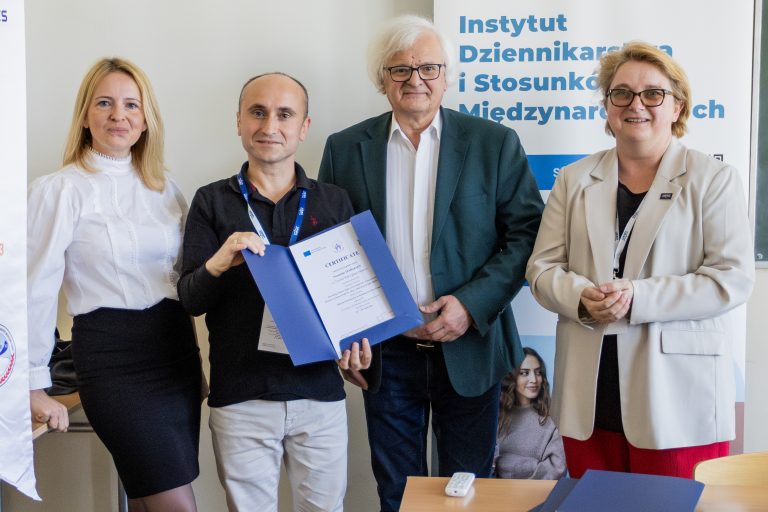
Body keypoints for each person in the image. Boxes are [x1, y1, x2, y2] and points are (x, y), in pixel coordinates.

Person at [319, 15, 543, 510]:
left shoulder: (493, 143)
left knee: (469, 492)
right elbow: (330, 251)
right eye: (400, 69)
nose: (414, 79)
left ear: (446, 76)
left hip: (470, 346)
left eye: (428, 68)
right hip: (385, 351)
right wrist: (346, 337)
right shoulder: (345, 149)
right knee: (397, 494)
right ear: (382, 79)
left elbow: (526, 234)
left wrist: (470, 305)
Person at [526, 41, 755, 479]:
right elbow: (542, 270)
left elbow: (731, 278)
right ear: (607, 105)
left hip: (678, 397)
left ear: (677, 106)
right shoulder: (574, 179)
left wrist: (638, 297)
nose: (636, 105)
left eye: (653, 93)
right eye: (621, 93)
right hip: (591, 394)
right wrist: (580, 297)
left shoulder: (713, 179)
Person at [177, 72, 371, 512]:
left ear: (304, 126)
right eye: (258, 113)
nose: (270, 127)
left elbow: (355, 300)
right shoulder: (211, 201)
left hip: (319, 394)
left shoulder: (334, 202)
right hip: (241, 398)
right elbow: (191, 299)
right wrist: (220, 261)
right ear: (239, 121)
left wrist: (360, 349)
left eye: (285, 115)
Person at [27, 57, 202, 511]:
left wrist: (199, 364)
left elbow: (181, 279)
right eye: (104, 103)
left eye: (131, 105)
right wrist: (32, 386)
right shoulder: (58, 190)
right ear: (85, 116)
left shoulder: (166, 188)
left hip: (175, 355)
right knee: (175, 503)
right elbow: (35, 290)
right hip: (113, 360)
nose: (118, 115)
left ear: (146, 120)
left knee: (147, 498)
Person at [493, 347, 565, 480]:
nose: (534, 380)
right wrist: (533, 465)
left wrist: (504, 463)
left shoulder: (554, 417)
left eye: (538, 373)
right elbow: (488, 466)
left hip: (541, 492)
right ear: (511, 377)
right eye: (524, 373)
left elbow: (556, 470)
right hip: (496, 491)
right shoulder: (496, 416)